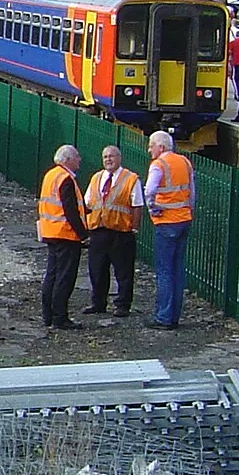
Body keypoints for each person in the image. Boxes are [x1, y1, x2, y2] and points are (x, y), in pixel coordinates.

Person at [82, 144, 144, 319]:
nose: (108, 159)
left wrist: (134, 227)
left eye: (111, 156)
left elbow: (137, 205)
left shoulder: (130, 178)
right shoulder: (96, 178)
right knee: (97, 269)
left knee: (123, 271)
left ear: (119, 158)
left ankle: (122, 304)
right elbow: (87, 203)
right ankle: (98, 302)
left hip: (121, 231)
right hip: (98, 230)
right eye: (105, 157)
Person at [36, 143, 88, 331]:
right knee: (64, 277)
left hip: (50, 232)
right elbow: (70, 210)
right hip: (65, 234)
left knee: (51, 275)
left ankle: (48, 316)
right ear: (67, 160)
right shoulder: (66, 178)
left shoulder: (50, 175)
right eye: (77, 157)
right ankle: (60, 317)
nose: (79, 160)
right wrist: (83, 235)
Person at [146, 130, 194, 329]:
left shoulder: (158, 165)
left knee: (165, 271)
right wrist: (188, 211)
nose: (149, 150)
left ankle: (163, 317)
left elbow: (149, 190)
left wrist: (153, 208)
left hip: (166, 221)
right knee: (177, 270)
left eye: (151, 146)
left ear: (161, 147)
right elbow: (192, 192)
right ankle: (174, 316)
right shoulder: (185, 162)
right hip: (184, 219)